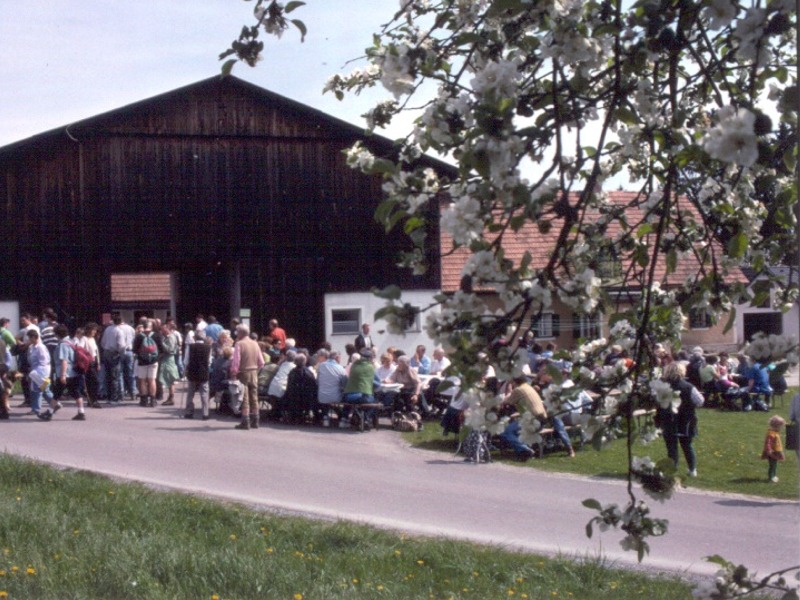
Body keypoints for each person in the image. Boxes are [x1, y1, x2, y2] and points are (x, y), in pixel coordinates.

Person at [655, 362, 704, 477]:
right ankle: (692, 470)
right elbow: (700, 401)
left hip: (668, 419)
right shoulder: (688, 386)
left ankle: (673, 469)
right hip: (685, 419)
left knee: (671, 447)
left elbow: (657, 401)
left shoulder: (662, 386)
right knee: (687, 445)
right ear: (682, 372)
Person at [39, 324, 87, 421]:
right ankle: (81, 412)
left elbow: (64, 360)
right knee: (76, 392)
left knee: (56, 393)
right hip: (74, 372)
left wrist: (63, 375)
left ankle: (49, 413)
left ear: (57, 334)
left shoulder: (63, 344)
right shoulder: (71, 342)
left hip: (66, 373)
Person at [230, 323, 265, 430]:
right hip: (254, 372)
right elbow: (261, 362)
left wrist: (234, 373)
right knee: (254, 396)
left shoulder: (239, 344)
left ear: (240, 332)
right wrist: (256, 369)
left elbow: (236, 361)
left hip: (243, 372)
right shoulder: (255, 343)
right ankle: (256, 420)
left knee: (244, 397)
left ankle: (245, 421)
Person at [342, 348, 379, 429]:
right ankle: (366, 418)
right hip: (364, 397)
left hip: (349, 397)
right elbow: (377, 383)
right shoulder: (371, 367)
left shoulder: (353, 366)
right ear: (370, 358)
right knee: (375, 402)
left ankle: (355, 418)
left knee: (363, 400)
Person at [183, 330, 213, 420]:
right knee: (204, 393)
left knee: (190, 393)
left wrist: (186, 369)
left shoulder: (190, 347)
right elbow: (209, 362)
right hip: (203, 372)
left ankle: (189, 412)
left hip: (192, 372)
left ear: (195, 338)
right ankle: (205, 413)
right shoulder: (208, 347)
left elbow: (186, 361)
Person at [282, 353, 317, 424]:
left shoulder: (292, 372)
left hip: (292, 398)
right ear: (305, 361)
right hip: (305, 398)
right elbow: (313, 386)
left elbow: (288, 386)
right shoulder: (309, 373)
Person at [26, 329, 53, 418]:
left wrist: (37, 372)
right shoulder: (33, 347)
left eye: (30, 338)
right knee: (44, 390)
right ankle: (55, 403)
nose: (29, 340)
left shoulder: (40, 347)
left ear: (34, 337)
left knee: (37, 390)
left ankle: (36, 409)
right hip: (35, 371)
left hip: (41, 372)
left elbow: (44, 361)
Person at [132, 319, 159, 407]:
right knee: (152, 380)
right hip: (154, 361)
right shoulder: (156, 335)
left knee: (142, 380)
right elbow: (162, 349)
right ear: (151, 327)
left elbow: (135, 350)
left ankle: (143, 400)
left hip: (142, 361)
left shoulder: (139, 336)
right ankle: (153, 400)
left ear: (143, 326)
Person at [100, 315, 125, 403]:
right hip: (114, 353)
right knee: (115, 376)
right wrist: (121, 353)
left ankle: (109, 396)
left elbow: (102, 342)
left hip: (106, 352)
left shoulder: (107, 329)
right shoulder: (119, 331)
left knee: (108, 375)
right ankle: (115, 398)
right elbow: (121, 345)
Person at [158, 323, 181, 406]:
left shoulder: (171, 337)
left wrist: (161, 343)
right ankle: (170, 397)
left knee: (170, 378)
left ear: (167, 329)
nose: (161, 331)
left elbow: (169, 349)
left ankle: (171, 397)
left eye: (163, 329)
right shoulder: (167, 337)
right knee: (168, 378)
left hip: (169, 359)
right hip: (167, 358)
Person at [761, 415, 785, 483]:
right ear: (777, 426)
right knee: (772, 465)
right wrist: (769, 450)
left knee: (774, 464)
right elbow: (768, 443)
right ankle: (771, 477)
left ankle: (773, 475)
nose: (782, 428)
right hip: (772, 452)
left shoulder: (775, 433)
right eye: (781, 426)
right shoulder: (771, 434)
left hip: (776, 451)